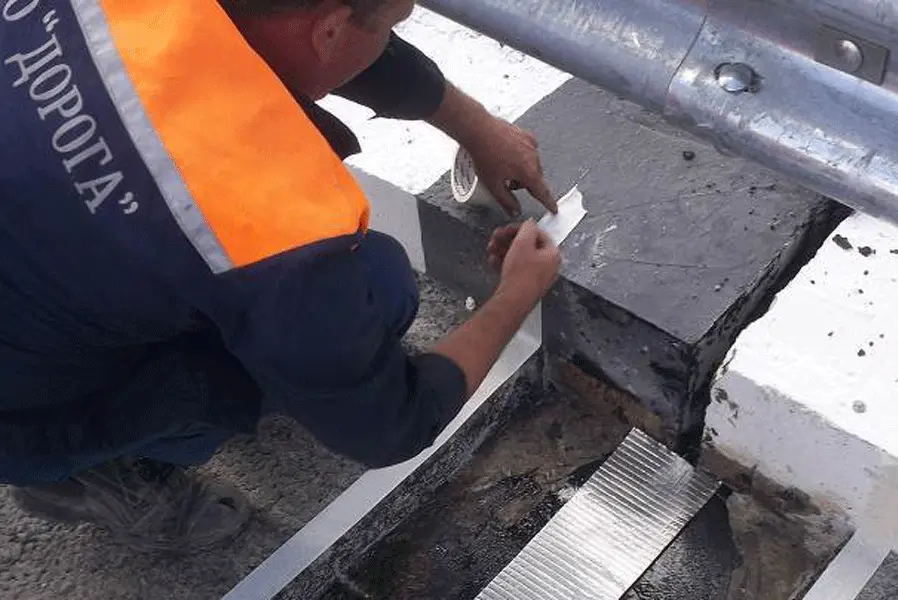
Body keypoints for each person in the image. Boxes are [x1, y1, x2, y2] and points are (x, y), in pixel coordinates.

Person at [0, 0, 559, 552]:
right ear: (331, 29)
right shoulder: (272, 230)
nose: (389, 38)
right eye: (393, 24)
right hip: (16, 417)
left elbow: (329, 38)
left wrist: (477, 126)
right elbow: (393, 425)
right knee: (380, 288)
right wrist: (516, 293)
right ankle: (86, 469)